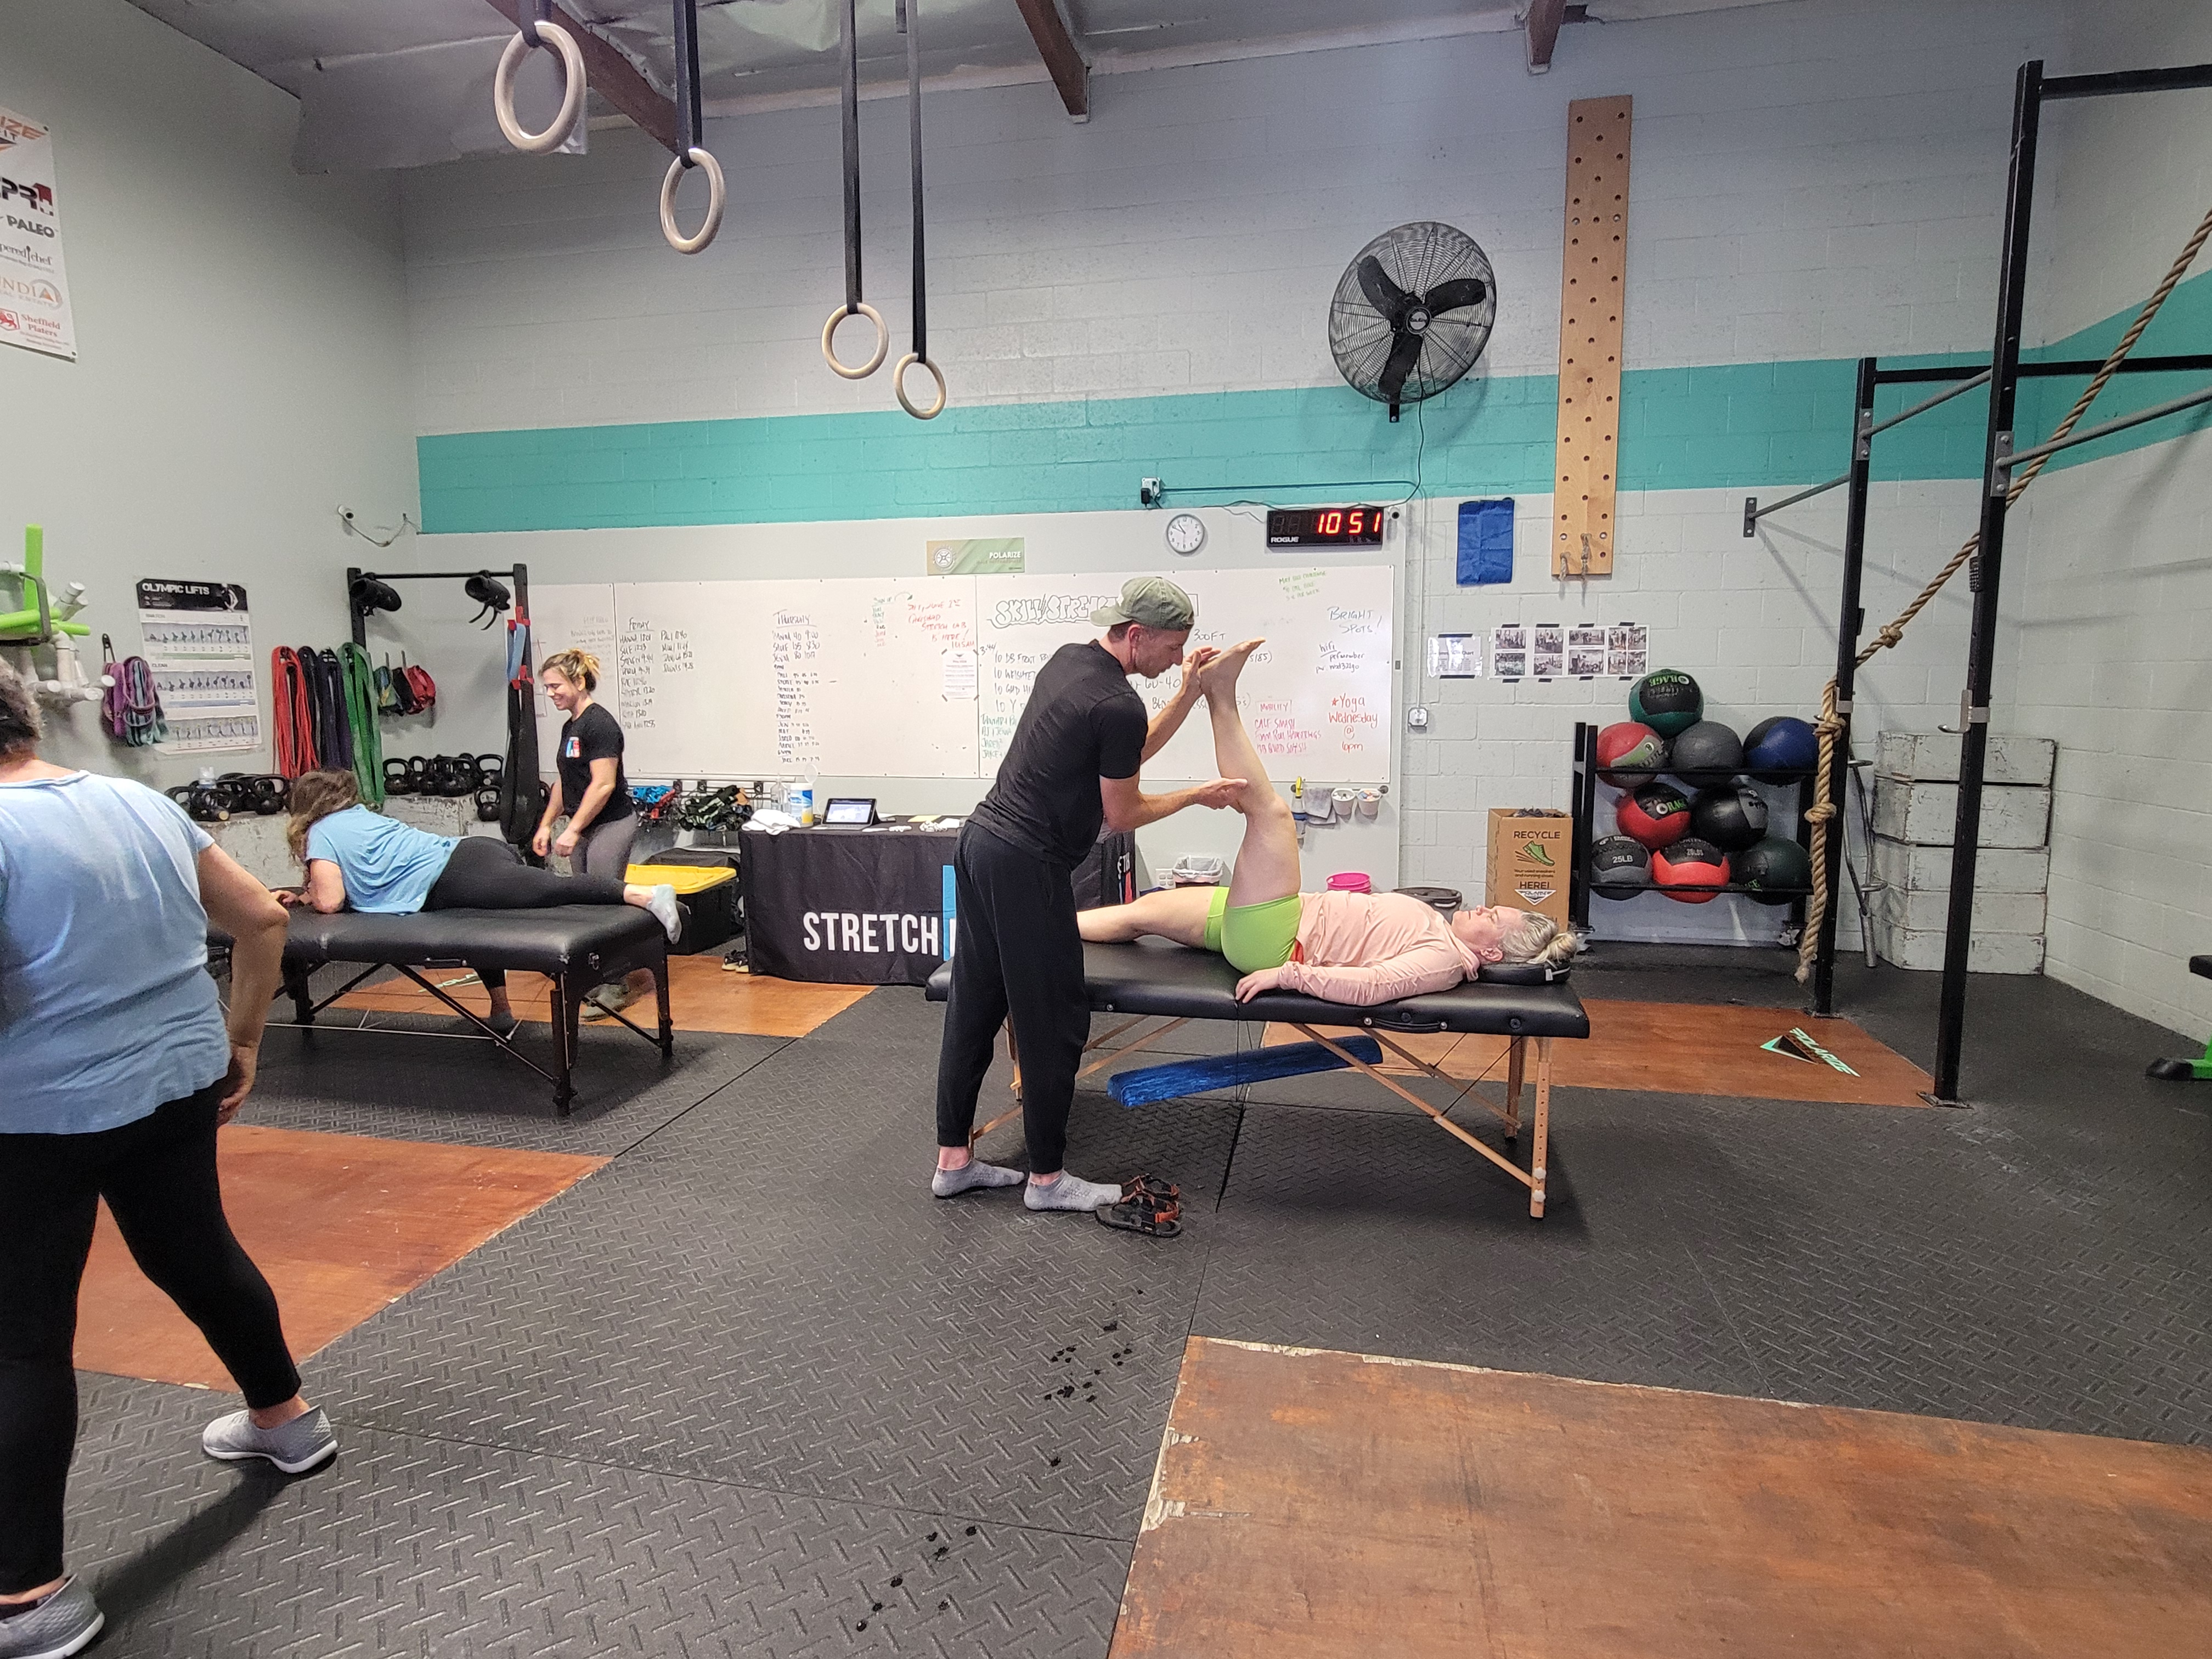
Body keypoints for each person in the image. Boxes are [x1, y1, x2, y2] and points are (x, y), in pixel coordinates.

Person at [0, 661, 332, 1659]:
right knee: (195, 1252)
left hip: (40, 1113)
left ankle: (29, 1596)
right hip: (178, 1078)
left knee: (20, 1338)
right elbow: (263, 917)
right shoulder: (136, 801)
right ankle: (287, 1420)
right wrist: (245, 1042)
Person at [934, 576, 1245, 1215]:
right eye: (1172, 649)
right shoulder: (1118, 704)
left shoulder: (1071, 662)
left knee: (975, 1008)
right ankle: (1047, 1180)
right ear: (1138, 635)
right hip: (1025, 866)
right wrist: (1197, 796)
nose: (1175, 660)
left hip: (980, 844)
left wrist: (1187, 694)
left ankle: (953, 1163)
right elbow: (1123, 811)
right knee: (1053, 1021)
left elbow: (1125, 752)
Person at [1079, 640, 1578, 1001]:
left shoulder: (1444, 960)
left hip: (1277, 940)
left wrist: (1287, 977)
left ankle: (1219, 694)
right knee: (1143, 912)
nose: (1484, 908)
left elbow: (1372, 986)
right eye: (1494, 908)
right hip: (1270, 923)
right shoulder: (1441, 931)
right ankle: (1048, 927)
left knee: (1269, 813)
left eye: (1493, 919)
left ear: (1492, 955)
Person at [283, 769, 683, 1035]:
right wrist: (306, 894)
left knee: (551, 889)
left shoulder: (321, 831)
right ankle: (500, 1010)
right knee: (481, 930)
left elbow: (331, 901)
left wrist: (311, 897)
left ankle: (645, 894)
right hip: (465, 859)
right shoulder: (357, 817)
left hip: (457, 872)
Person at [532, 650, 651, 1019]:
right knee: (586, 904)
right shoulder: (571, 726)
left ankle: (617, 984)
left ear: (579, 682)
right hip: (585, 826)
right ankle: (595, 976)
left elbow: (603, 785)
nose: (551, 693)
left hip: (612, 824)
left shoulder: (600, 725)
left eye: (556, 686)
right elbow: (565, 783)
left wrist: (572, 829)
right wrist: (546, 824)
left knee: (606, 902)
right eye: (547, 687)